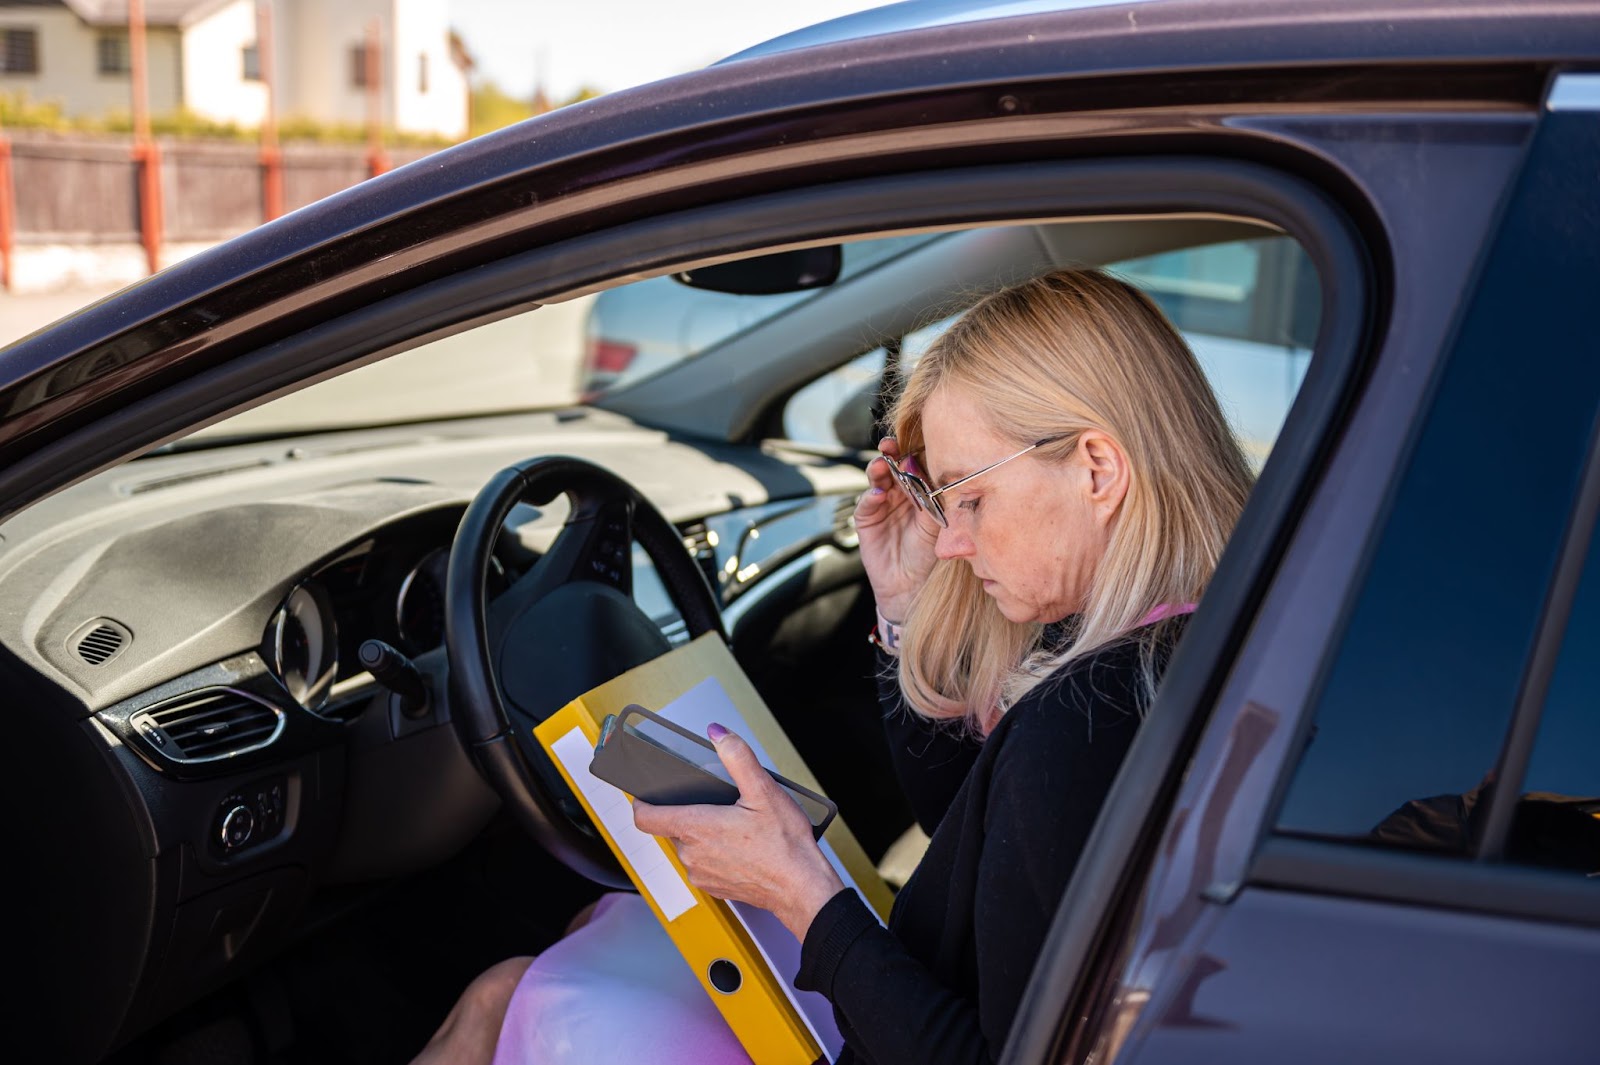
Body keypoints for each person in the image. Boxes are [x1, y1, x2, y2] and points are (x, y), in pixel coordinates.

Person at [414, 267, 1254, 1064]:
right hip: (897, 990)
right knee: (554, 959)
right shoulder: (1195, 645)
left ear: (1098, 469)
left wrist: (800, 893)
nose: (954, 542)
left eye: (971, 496)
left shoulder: (1087, 719)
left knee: (506, 993)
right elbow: (977, 832)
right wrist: (902, 605)